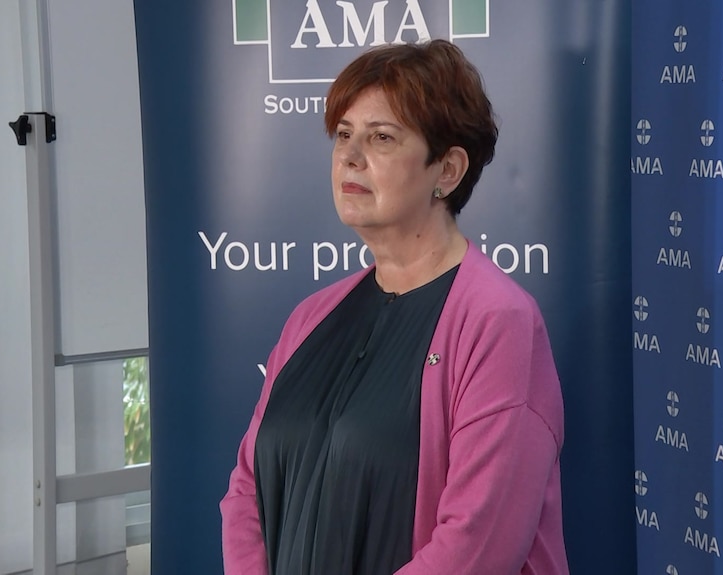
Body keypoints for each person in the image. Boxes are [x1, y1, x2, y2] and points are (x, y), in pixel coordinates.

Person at [220, 39, 568, 575]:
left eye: (381, 137)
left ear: (447, 170)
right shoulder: (311, 317)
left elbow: (477, 547)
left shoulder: (499, 324)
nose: (350, 156)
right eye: (343, 135)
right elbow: (246, 490)